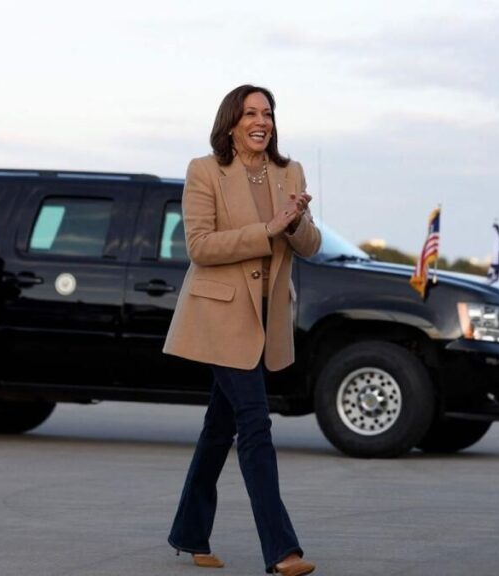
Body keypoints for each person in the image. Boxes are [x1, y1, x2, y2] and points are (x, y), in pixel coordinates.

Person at [162, 85, 320, 576]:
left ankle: (189, 532)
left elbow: (310, 245)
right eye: (251, 112)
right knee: (255, 424)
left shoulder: (289, 172)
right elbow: (200, 246)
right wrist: (269, 229)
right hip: (221, 317)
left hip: (266, 319)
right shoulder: (204, 170)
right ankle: (282, 551)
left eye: (268, 113)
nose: (262, 120)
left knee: (219, 429)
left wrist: (293, 224)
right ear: (231, 121)